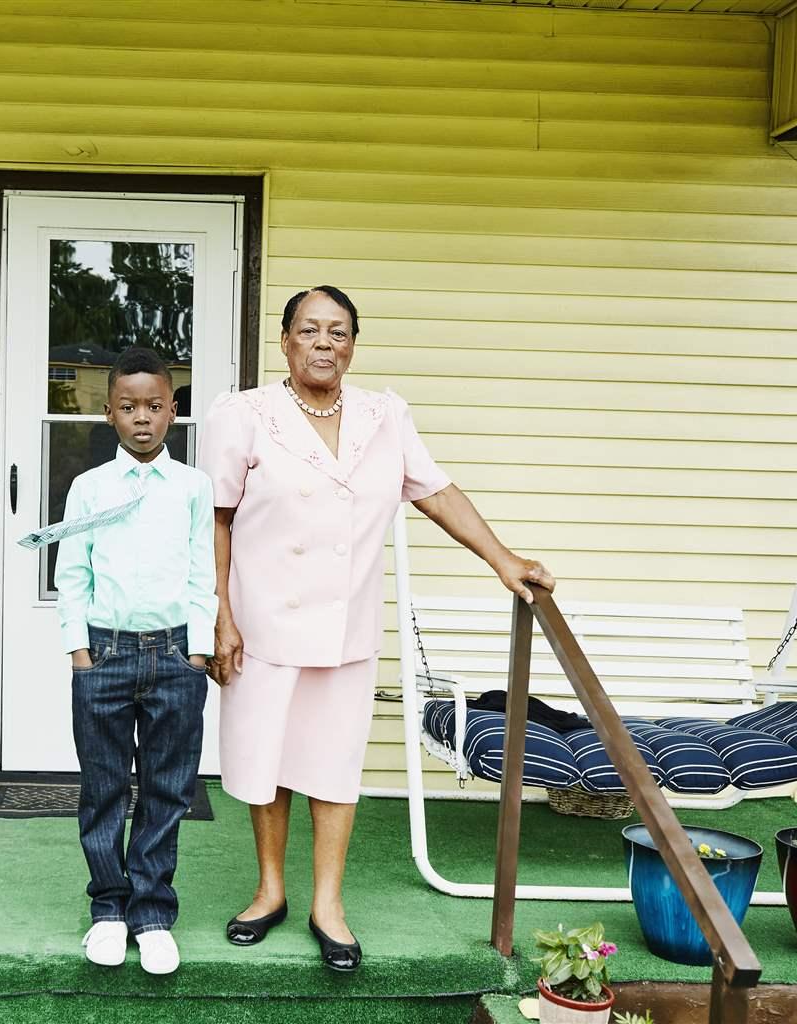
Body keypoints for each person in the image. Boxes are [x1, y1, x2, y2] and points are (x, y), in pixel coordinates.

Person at [199, 286, 554, 972]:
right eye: (309, 330)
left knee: (333, 766)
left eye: (338, 331)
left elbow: (436, 492)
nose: (323, 342)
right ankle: (270, 890)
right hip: (261, 619)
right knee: (265, 760)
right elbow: (214, 516)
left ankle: (327, 905)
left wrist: (502, 558)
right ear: (285, 341)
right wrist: (221, 614)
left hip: (344, 625)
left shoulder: (384, 417)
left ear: (353, 344)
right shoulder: (243, 415)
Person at [55, 347, 216, 976]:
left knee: (167, 789)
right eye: (129, 407)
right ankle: (108, 909)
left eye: (154, 406)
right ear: (109, 414)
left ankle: (152, 913)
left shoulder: (192, 487)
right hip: (106, 654)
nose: (142, 418)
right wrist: (79, 648)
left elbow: (204, 570)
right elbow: (72, 571)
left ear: (172, 412)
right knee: (102, 788)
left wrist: (198, 648)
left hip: (176, 654)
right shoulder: (89, 488)